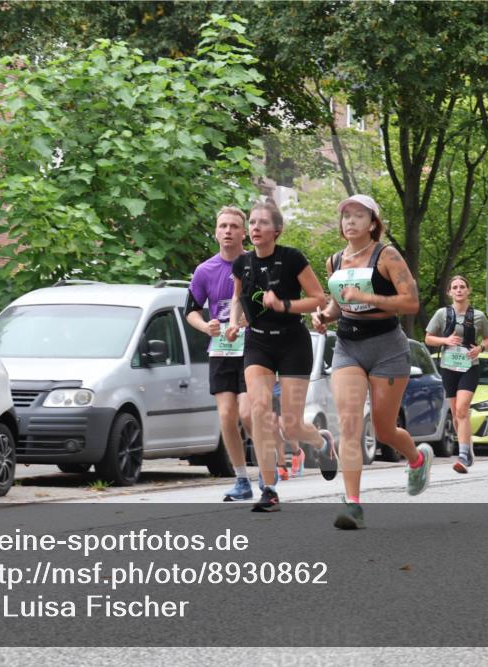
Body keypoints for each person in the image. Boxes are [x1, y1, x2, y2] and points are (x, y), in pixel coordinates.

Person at [312, 194, 433, 529]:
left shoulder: (387, 255)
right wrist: (324, 316)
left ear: (373, 222)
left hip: (387, 348)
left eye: (358, 215)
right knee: (350, 423)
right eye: (346, 216)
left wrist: (367, 296)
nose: (350, 221)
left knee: (383, 428)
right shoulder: (334, 261)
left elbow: (411, 303)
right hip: (348, 346)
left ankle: (417, 458)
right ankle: (352, 504)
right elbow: (339, 305)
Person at [226, 200, 330, 513]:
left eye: (262, 223)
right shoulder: (242, 264)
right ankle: (268, 488)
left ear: (277, 230)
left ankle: (323, 444)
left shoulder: (292, 258)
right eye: (253, 223)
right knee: (257, 410)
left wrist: (283, 304)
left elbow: (318, 299)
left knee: (292, 426)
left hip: (292, 343)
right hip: (258, 344)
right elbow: (236, 299)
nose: (255, 228)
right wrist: (233, 324)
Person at [185, 207, 257, 501]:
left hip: (254, 347)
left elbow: (268, 303)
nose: (228, 231)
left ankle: (269, 465)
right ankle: (242, 480)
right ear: (216, 232)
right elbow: (190, 311)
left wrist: (249, 320)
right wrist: (206, 326)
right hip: (221, 350)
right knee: (227, 416)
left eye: (234, 226)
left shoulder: (256, 264)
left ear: (244, 233)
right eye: (223, 226)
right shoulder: (205, 271)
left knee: (248, 413)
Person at [425, 275, 488, 474]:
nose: (459, 290)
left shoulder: (478, 316)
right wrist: (445, 341)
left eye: (462, 286)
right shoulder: (441, 314)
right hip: (449, 367)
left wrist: (480, 348)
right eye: (455, 287)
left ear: (468, 290)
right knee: (456, 414)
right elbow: (428, 338)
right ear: (449, 292)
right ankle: (467, 448)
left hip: (470, 366)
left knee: (463, 409)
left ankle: (462, 455)